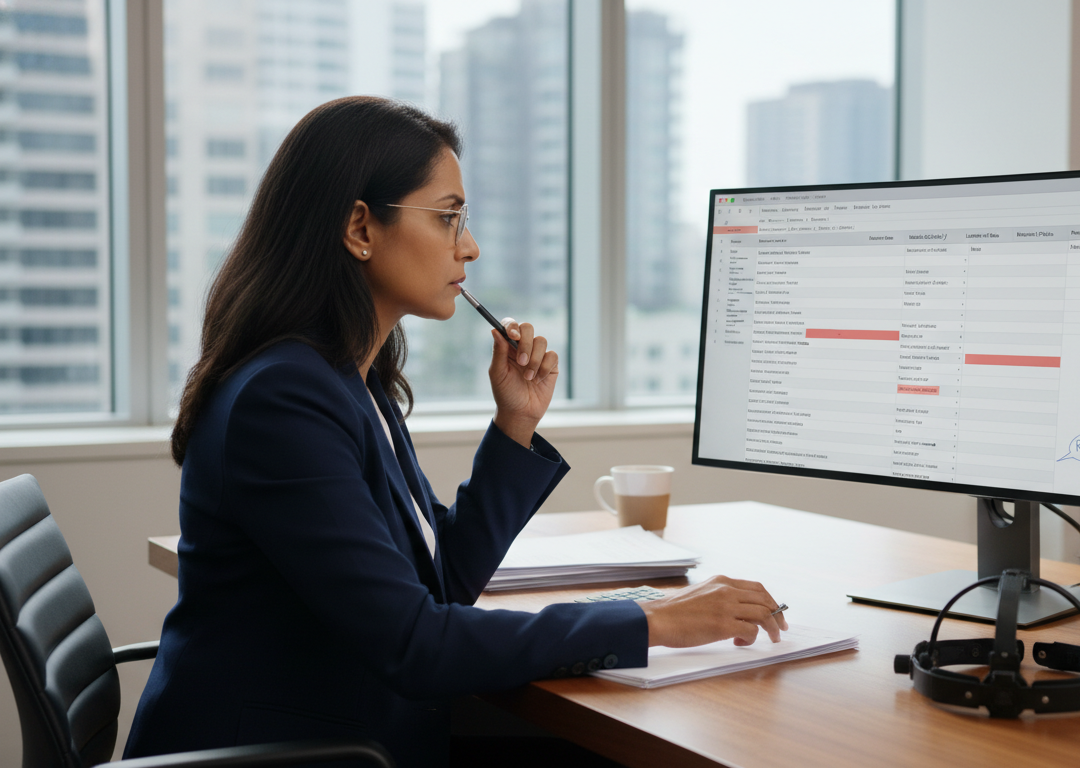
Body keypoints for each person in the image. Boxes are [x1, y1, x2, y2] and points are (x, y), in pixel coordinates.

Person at [123, 96, 786, 766]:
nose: (468, 246)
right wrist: (653, 622)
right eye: (447, 219)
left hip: (347, 731)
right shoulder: (285, 401)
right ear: (360, 228)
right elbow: (415, 645)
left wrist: (514, 426)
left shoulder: (352, 379)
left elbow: (438, 586)